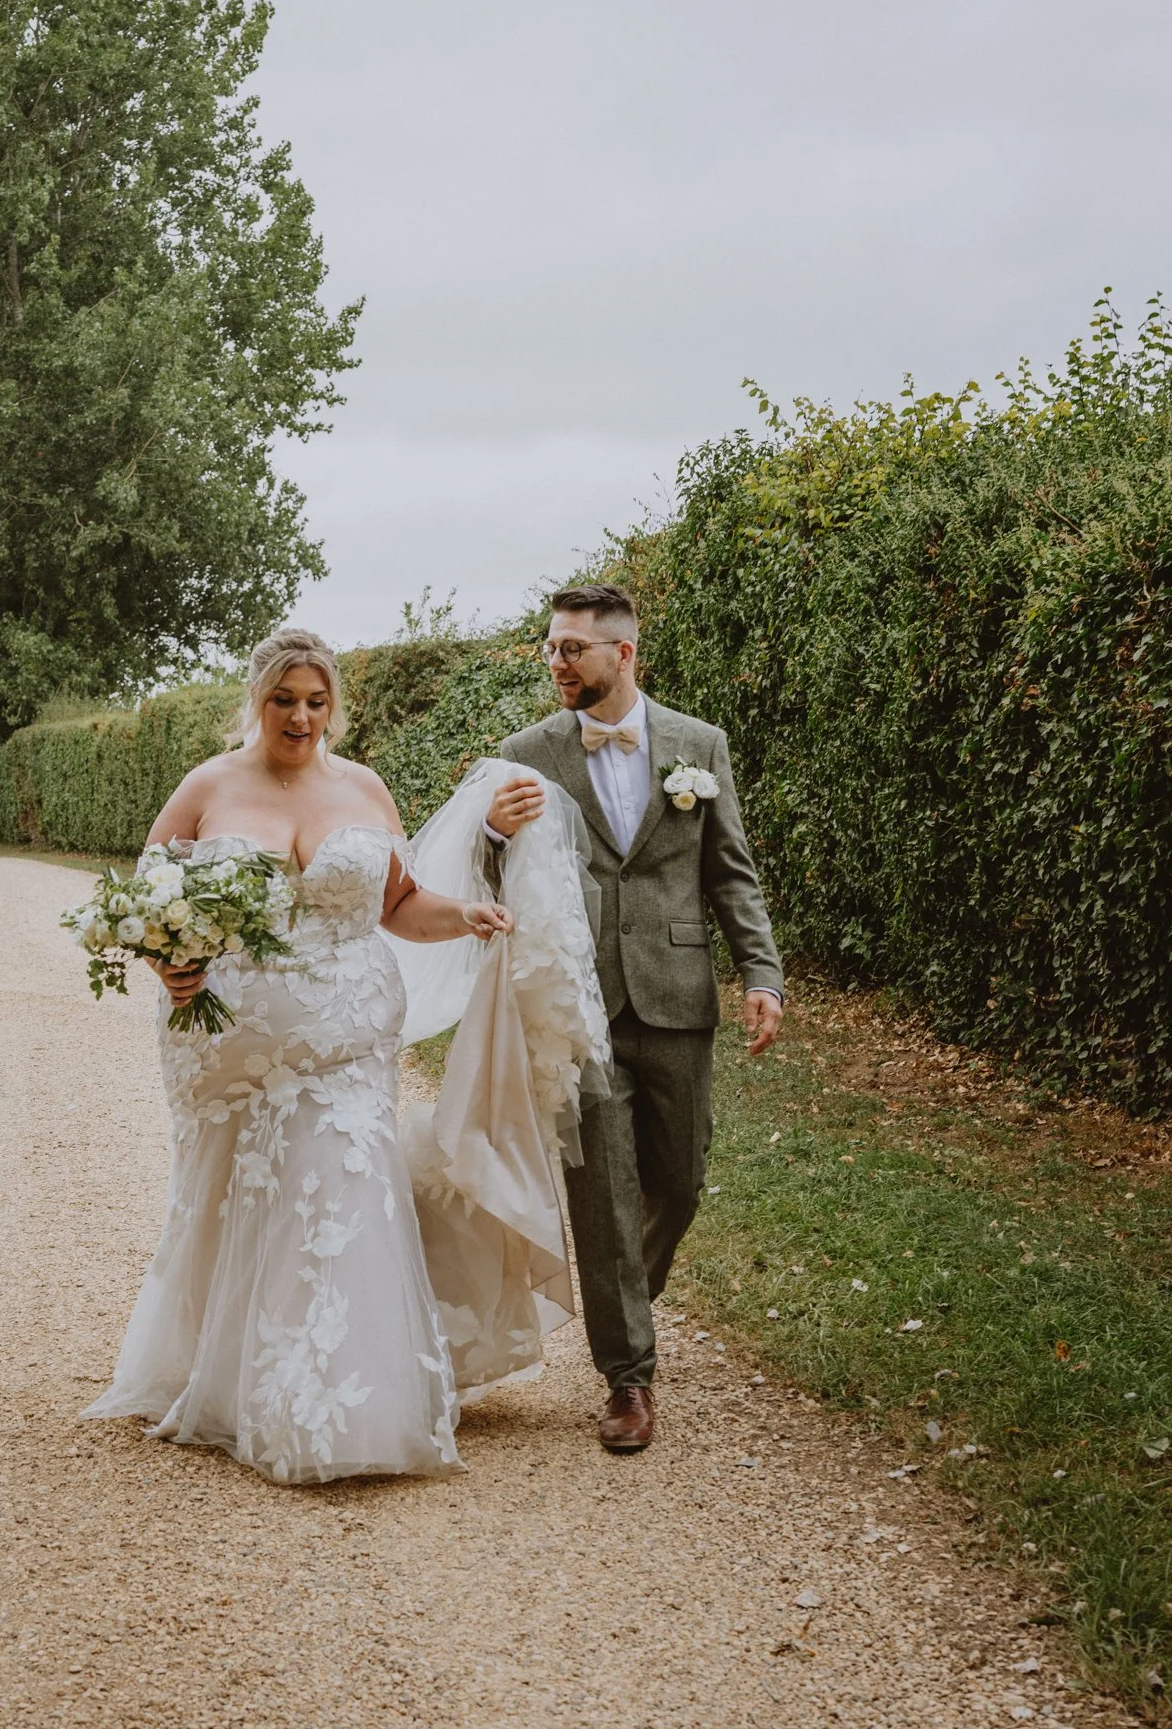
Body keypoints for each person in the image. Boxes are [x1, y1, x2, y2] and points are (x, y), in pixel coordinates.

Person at [84, 626, 521, 1486]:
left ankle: (345, 1401)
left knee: (342, 1184)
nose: (301, 716)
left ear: (334, 706)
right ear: (257, 698)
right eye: (285, 699)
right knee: (241, 1195)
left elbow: (401, 904)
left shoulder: (363, 786)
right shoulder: (208, 785)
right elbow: (146, 895)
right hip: (233, 1039)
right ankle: (237, 1366)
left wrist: (464, 914)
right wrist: (170, 960)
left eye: (316, 700)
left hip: (351, 1032)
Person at [484, 583, 784, 1455]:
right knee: (604, 1183)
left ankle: (626, 1303)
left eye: (572, 647)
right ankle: (628, 1376)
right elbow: (489, 872)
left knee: (680, 1180)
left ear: (624, 655)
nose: (556, 661)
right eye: (550, 646)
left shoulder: (700, 745)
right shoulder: (525, 752)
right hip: (579, 996)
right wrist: (496, 835)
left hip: (678, 991)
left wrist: (761, 971)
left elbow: (731, 873)